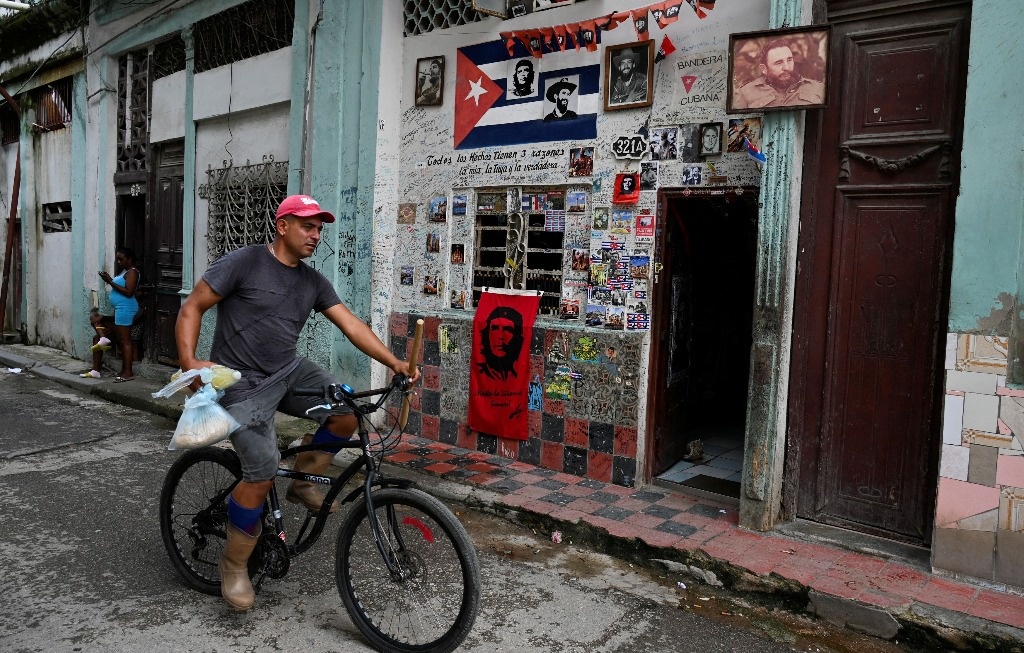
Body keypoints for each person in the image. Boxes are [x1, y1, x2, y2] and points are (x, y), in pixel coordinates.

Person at [175, 194, 418, 611]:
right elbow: (192, 307)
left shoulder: (312, 282)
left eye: (319, 228)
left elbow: (351, 325)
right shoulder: (244, 262)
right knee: (263, 471)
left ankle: (305, 480)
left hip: (288, 372)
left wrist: (395, 362)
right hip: (241, 383)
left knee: (347, 411)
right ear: (282, 225)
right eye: (307, 225)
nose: (315, 235)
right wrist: (190, 364)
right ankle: (234, 565)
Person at [82, 247, 140, 382]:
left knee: (125, 341)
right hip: (120, 309)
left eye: (121, 259)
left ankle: (128, 372)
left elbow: (128, 292)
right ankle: (102, 344)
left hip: (126, 309)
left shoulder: (133, 272)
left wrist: (110, 281)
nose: (119, 262)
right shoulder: (125, 272)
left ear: (129, 259)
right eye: (117, 259)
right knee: (96, 319)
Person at [733, 39, 825, 109]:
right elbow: (739, 130)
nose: (787, 67)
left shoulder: (819, 89)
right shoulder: (744, 94)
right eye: (778, 63)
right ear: (764, 69)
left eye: (789, 60)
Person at [477, 306, 524, 381]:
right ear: (487, 334)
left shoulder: (517, 376)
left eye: (508, 330)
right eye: (495, 329)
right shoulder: (479, 371)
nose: (500, 336)